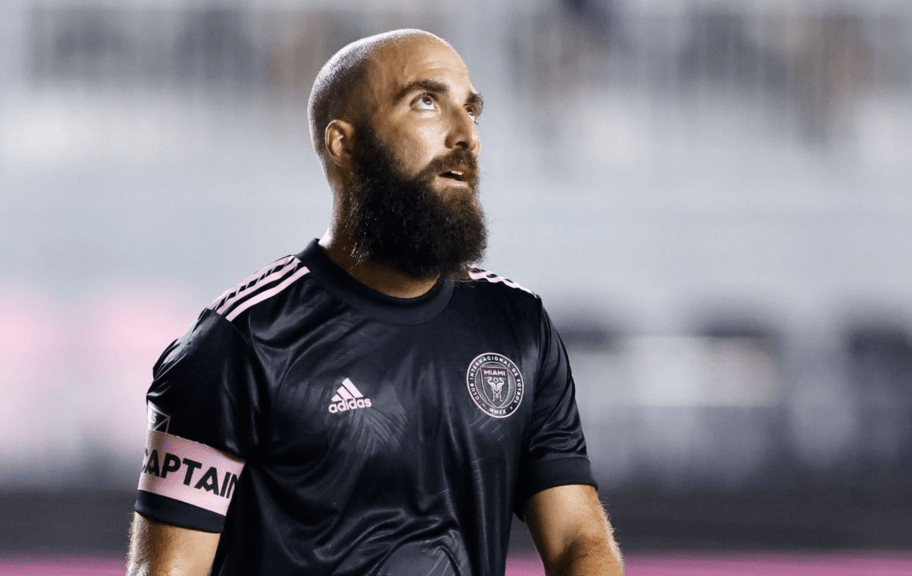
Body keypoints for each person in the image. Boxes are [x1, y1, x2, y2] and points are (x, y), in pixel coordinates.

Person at [126, 29, 623, 576]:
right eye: (426, 102)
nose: (466, 135)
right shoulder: (240, 342)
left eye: (471, 110)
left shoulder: (518, 325)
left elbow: (579, 541)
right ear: (344, 144)